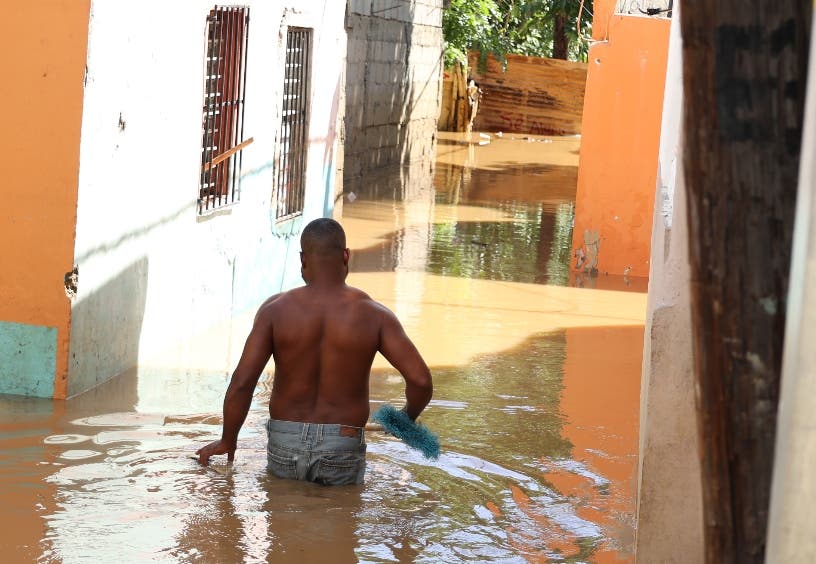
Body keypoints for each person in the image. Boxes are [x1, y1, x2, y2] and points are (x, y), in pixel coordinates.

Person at [196, 218, 433, 485]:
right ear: (346, 256)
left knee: (284, 522)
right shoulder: (375, 316)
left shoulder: (274, 311)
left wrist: (228, 439)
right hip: (342, 444)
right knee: (341, 522)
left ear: (303, 259)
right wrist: (406, 419)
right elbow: (421, 381)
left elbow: (242, 384)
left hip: (284, 441)